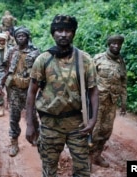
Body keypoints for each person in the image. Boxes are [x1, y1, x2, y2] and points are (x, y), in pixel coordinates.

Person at [25, 14, 99, 177]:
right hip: (50, 123)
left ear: (73, 33)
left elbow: (93, 91)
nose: (63, 34)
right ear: (53, 33)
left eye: (68, 30)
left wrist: (93, 120)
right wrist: (30, 124)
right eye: (59, 30)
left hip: (77, 124)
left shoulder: (84, 59)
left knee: (82, 169)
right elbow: (31, 92)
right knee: (49, 168)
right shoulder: (43, 60)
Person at [0, 26, 40, 157]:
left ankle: (37, 138)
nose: (21, 38)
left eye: (24, 36)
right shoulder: (11, 51)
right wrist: (0, 83)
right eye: (18, 36)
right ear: (15, 38)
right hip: (14, 89)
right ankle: (14, 142)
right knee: (14, 117)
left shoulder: (35, 52)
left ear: (28, 37)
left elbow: (42, 70)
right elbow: (3, 68)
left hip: (29, 89)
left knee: (32, 115)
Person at [90, 35, 127, 168]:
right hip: (97, 102)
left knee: (106, 131)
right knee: (93, 130)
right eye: (113, 43)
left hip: (111, 102)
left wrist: (124, 102)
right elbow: (88, 79)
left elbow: (123, 83)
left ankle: (96, 156)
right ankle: (85, 159)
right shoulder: (98, 59)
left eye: (119, 44)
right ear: (109, 44)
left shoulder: (121, 62)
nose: (116, 46)